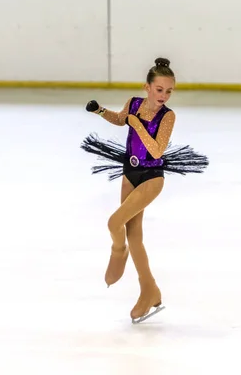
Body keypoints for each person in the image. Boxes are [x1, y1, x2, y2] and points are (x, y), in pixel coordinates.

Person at [80, 57, 209, 323]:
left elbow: (157, 150)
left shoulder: (167, 116)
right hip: (129, 171)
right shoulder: (135, 103)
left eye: (169, 91)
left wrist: (137, 124)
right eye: (159, 89)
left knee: (115, 222)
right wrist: (100, 111)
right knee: (134, 234)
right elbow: (121, 119)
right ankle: (149, 290)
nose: (164, 95)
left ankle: (119, 251)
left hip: (151, 176)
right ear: (147, 87)